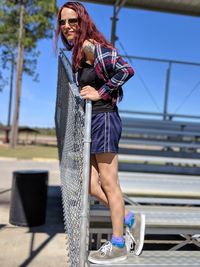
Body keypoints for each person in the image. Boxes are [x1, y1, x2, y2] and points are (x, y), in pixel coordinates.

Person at [55, 1, 145, 264]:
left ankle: (118, 244)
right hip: (93, 122)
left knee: (108, 183)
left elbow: (126, 69)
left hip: (105, 119)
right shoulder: (77, 52)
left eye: (73, 21)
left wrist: (101, 93)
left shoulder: (89, 46)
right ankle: (129, 219)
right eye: (63, 22)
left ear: (82, 21)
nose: (67, 26)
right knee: (91, 185)